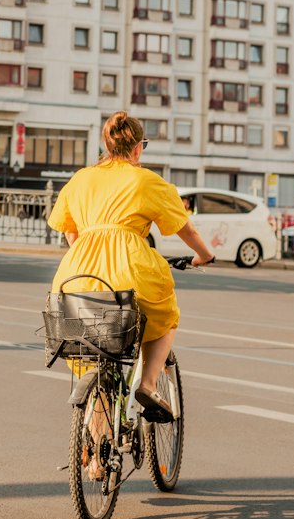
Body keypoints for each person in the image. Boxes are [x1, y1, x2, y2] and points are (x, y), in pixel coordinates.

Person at [47, 111, 213, 422]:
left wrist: (88, 253)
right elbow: (185, 229)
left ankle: (96, 454)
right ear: (137, 148)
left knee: (91, 350)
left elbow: (69, 230)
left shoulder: (81, 178)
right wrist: (205, 255)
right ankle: (149, 384)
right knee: (166, 317)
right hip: (130, 272)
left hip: (77, 273)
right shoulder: (146, 180)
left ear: (106, 145)